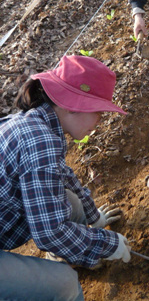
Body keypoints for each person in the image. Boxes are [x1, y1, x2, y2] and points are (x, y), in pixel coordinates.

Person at [0, 55, 131, 301]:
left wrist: (95, 217)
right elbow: (49, 233)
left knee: (70, 202)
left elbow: (64, 177)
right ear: (73, 105)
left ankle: (66, 254)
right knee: (65, 285)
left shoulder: (37, 124)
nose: (99, 123)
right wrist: (107, 243)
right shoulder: (39, 141)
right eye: (99, 113)